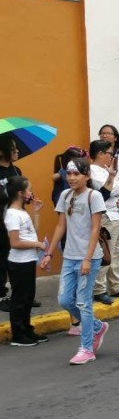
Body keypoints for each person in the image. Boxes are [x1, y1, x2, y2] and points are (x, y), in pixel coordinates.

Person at [41, 158, 110, 364]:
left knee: (83, 302)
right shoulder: (65, 195)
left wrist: (87, 259)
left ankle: (86, 348)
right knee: (64, 300)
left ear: (86, 176)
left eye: (76, 174)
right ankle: (98, 327)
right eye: (69, 174)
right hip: (69, 257)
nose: (71, 178)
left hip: (89, 257)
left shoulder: (94, 196)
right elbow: (61, 226)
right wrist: (49, 253)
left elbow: (95, 229)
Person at [2, 176, 48, 346]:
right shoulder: (12, 214)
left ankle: (27, 329)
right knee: (20, 299)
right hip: (19, 263)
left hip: (28, 261)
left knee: (28, 297)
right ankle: (18, 334)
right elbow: (15, 242)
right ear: (20, 193)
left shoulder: (21, 212)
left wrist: (36, 212)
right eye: (29, 190)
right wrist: (37, 244)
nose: (31, 193)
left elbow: (32, 232)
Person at [89, 139, 119, 303]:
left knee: (116, 253)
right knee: (106, 253)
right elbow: (110, 191)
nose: (112, 157)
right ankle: (99, 288)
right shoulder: (93, 170)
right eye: (110, 153)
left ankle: (116, 286)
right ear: (100, 154)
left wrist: (118, 179)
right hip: (108, 216)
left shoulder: (106, 170)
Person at [0, 134, 23, 313]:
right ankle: (1, 296)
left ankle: (20, 294)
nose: (16, 151)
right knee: (1, 260)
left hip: (15, 222)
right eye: (12, 148)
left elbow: (21, 196)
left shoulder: (17, 171)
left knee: (16, 259)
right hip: (0, 223)